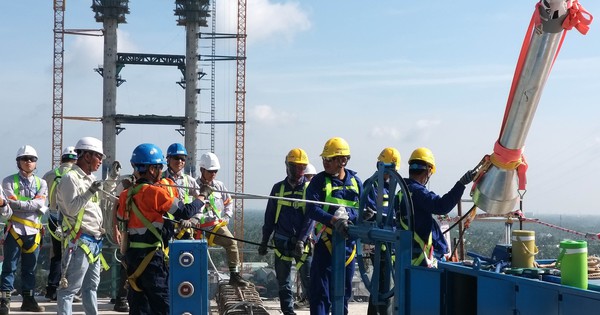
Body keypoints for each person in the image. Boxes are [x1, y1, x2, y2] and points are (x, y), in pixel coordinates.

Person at [117, 143, 207, 315]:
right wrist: (202, 196)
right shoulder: (156, 193)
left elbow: (121, 221)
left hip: (132, 259)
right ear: (151, 169)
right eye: (159, 167)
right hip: (152, 260)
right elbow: (184, 211)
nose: (160, 171)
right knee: (162, 307)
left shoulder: (125, 195)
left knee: (138, 308)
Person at [55, 136, 117, 315]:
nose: (100, 162)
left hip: (94, 241)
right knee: (69, 289)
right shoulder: (70, 179)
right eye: (98, 157)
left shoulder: (90, 179)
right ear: (87, 156)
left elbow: (103, 198)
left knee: (91, 287)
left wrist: (113, 178)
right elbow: (72, 209)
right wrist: (90, 191)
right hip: (79, 240)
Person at [302, 137, 362, 315]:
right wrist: (333, 220)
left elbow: (362, 208)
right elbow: (311, 209)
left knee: (342, 295)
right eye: (324, 159)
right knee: (320, 294)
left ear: (343, 160)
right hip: (325, 244)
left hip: (348, 248)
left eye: (329, 159)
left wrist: (352, 216)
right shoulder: (319, 182)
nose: (325, 162)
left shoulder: (356, 182)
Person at [398, 147, 475, 267]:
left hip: (408, 257)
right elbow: (441, 206)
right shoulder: (417, 192)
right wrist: (461, 184)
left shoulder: (401, 193)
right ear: (428, 170)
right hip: (422, 261)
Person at [259, 148, 312, 315]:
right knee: (283, 282)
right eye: (296, 167)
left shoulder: (309, 189)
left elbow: (311, 218)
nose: (299, 171)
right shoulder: (278, 189)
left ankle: (316, 310)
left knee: (310, 281)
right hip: (282, 242)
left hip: (303, 244)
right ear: (288, 166)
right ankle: (288, 312)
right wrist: (264, 241)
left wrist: (302, 240)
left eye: (302, 168)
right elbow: (269, 218)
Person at [0, 145, 48, 314]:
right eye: (25, 159)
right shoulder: (8, 181)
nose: (28, 162)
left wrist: (19, 204)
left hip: (34, 232)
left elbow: (40, 204)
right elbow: (8, 202)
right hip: (15, 230)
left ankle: (29, 300)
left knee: (30, 268)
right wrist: (31, 205)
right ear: (18, 162)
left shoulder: (41, 183)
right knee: (9, 266)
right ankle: (4, 300)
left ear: (36, 163)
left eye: (32, 159)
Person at [196, 152, 249, 286]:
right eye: (210, 171)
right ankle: (193, 278)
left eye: (215, 171)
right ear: (202, 170)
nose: (213, 174)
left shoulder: (219, 186)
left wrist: (227, 216)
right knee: (194, 252)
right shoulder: (193, 185)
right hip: (197, 227)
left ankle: (234, 275)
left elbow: (228, 202)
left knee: (231, 242)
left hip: (215, 225)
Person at [365, 147, 401, 315]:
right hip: (378, 243)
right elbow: (368, 210)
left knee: (380, 284)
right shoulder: (372, 185)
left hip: (390, 244)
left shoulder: (392, 188)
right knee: (382, 285)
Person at [41, 146, 77, 301]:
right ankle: (69, 289)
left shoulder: (49, 175)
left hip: (53, 218)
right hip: (71, 219)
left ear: (62, 158)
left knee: (57, 255)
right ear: (75, 160)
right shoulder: (76, 175)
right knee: (72, 255)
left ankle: (51, 289)